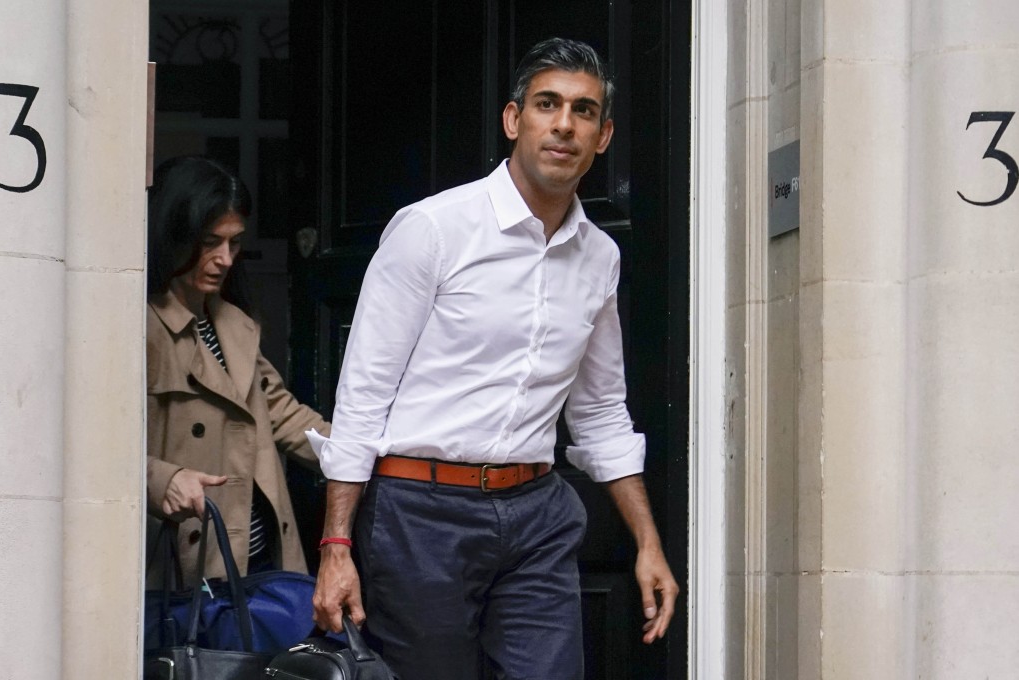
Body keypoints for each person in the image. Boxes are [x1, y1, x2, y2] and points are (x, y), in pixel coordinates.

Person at [306, 38, 678, 679]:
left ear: (604, 135)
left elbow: (599, 413)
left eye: (584, 111)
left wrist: (647, 542)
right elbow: (363, 393)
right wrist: (336, 544)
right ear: (514, 120)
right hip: (420, 515)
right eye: (547, 104)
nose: (564, 124)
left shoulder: (599, 258)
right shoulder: (433, 229)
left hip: (536, 515)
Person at [145, 156, 329, 584]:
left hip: (261, 558)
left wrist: (361, 456)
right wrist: (162, 480)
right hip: (189, 566)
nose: (225, 259)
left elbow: (282, 413)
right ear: (174, 234)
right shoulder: (138, 326)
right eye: (210, 242)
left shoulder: (233, 322)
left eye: (234, 243)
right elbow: (94, 447)